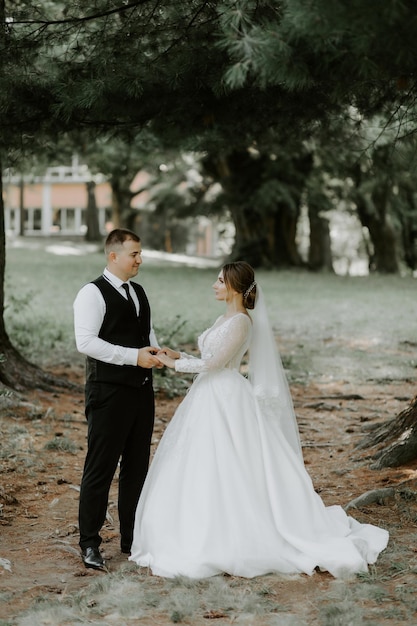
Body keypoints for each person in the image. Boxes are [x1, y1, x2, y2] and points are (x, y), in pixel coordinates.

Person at [129, 261, 389, 579]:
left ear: (236, 288)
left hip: (225, 396)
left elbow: (216, 364)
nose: (214, 285)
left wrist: (171, 366)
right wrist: (178, 355)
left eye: (220, 281)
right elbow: (210, 359)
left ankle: (234, 530)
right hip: (208, 394)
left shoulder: (241, 322)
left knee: (230, 460)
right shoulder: (223, 317)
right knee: (199, 460)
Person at [73, 228, 161, 570]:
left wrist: (156, 352)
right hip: (108, 394)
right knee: (100, 468)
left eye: (140, 253)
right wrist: (133, 357)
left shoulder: (138, 291)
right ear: (114, 256)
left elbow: (145, 333)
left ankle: (131, 537)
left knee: (137, 467)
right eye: (134, 254)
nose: (140, 259)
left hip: (142, 391)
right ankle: (89, 543)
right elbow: (86, 342)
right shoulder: (91, 294)